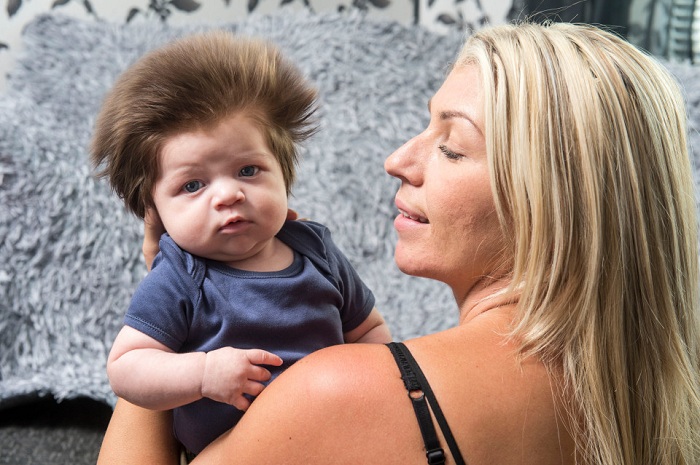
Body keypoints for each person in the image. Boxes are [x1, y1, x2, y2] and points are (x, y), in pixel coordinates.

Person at [97, 21, 700, 465]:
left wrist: (171, 283)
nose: (396, 161)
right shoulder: (656, 400)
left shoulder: (336, 394)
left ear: (552, 198)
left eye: (452, 146)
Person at [90, 31, 391, 456]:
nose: (227, 194)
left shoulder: (315, 250)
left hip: (336, 442)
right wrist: (202, 373)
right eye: (193, 185)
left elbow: (369, 330)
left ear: (284, 174)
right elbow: (126, 368)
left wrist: (379, 391)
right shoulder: (182, 276)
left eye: (248, 170)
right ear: (153, 210)